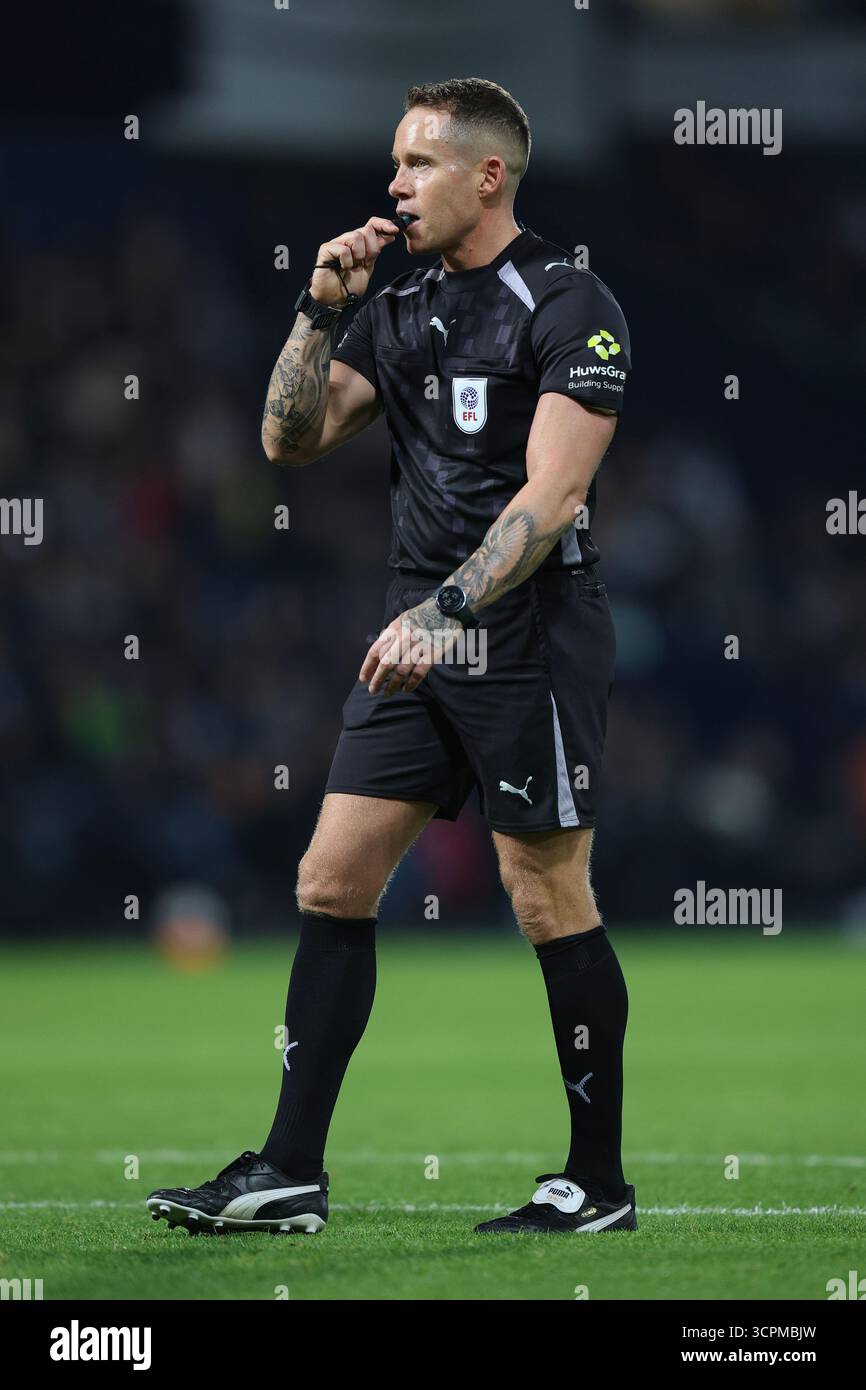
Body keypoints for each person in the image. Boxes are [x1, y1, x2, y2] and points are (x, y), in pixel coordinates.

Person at [147, 76, 635, 1238]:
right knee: (330, 879)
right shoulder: (401, 300)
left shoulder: (570, 300)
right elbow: (289, 438)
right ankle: (287, 1172)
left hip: (523, 630)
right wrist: (317, 311)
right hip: (412, 635)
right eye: (393, 163)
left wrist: (449, 610)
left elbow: (556, 495)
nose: (393, 184)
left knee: (544, 893)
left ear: (487, 175)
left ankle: (595, 1185)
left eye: (416, 163)